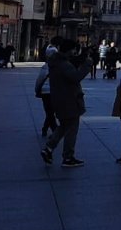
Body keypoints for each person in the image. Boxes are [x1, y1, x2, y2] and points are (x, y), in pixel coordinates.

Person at [41, 40, 94, 168]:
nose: (75, 52)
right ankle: (68, 157)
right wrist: (87, 65)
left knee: (64, 126)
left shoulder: (56, 62)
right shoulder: (63, 64)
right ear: (69, 50)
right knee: (72, 129)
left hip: (59, 98)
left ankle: (48, 148)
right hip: (69, 100)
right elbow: (75, 77)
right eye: (73, 50)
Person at [34, 45, 59, 137]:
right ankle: (55, 130)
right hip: (53, 92)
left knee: (50, 112)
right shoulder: (58, 66)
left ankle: (45, 128)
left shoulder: (45, 67)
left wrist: (37, 90)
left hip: (46, 92)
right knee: (51, 112)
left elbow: (39, 80)